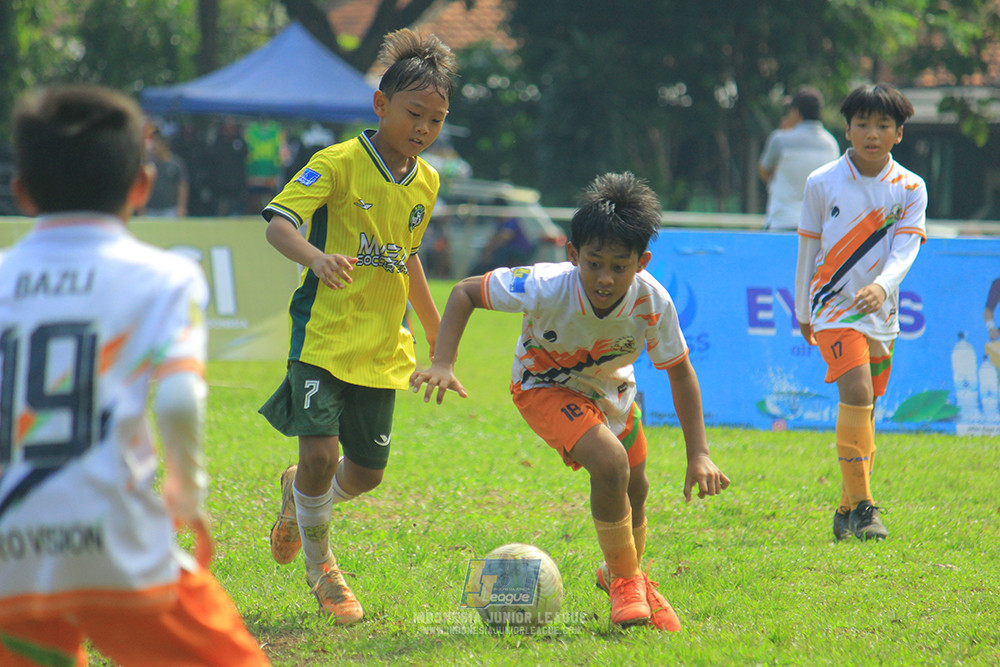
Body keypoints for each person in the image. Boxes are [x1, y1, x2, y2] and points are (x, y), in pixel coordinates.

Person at [0, 84, 269, 666]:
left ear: (22, 192)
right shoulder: (163, 277)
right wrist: (186, 493)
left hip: (9, 557)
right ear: (142, 186)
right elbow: (177, 400)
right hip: (113, 540)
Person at [410, 172, 731, 630]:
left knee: (636, 488)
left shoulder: (652, 301)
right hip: (543, 386)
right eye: (594, 263)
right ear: (572, 254)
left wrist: (698, 453)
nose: (604, 277)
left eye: (619, 266)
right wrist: (443, 361)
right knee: (611, 463)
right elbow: (464, 291)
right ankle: (625, 582)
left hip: (614, 393)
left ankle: (624, 573)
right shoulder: (543, 284)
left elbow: (679, 370)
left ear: (642, 263)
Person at [257, 29, 456, 625]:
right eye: (414, 113)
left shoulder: (427, 180)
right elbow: (278, 225)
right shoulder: (337, 164)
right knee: (321, 453)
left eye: (437, 119)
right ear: (381, 105)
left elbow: (409, 255)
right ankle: (324, 571)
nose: (424, 129)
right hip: (322, 336)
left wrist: (438, 336)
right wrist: (315, 258)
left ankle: (299, 497)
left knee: (365, 473)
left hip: (381, 346)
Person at [795, 82, 925, 543]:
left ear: (898, 134)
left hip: (881, 313)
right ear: (846, 129)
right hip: (832, 308)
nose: (872, 133)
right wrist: (801, 305)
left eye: (883, 125)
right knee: (856, 390)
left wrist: (881, 286)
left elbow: (906, 249)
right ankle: (867, 510)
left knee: (868, 408)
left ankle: (846, 508)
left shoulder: (911, 187)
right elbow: (808, 245)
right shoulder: (821, 181)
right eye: (863, 124)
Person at [759, 86, 841, 231]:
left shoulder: (780, 140)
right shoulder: (832, 144)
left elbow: (763, 171)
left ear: (796, 111)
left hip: (782, 221)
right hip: (818, 225)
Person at [470, 200, 535, 274]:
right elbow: (495, 238)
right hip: (508, 251)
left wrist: (490, 250)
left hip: (519, 251)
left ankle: (496, 274)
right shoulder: (500, 222)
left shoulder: (510, 220)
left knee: (498, 255)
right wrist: (488, 249)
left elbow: (505, 236)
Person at [142, 126, 189, 217]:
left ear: (164, 146)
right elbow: (144, 185)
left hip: (170, 210)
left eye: (158, 144)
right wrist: (142, 208)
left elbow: (182, 186)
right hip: (151, 210)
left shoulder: (175, 164)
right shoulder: (149, 164)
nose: (155, 147)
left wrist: (181, 207)